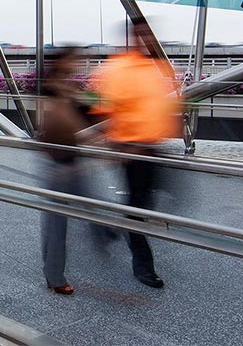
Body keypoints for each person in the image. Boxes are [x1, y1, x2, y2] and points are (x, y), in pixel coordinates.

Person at [93, 21, 180, 289]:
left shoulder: (155, 68)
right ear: (132, 37)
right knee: (139, 209)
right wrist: (116, 145)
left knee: (149, 204)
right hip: (131, 149)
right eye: (141, 35)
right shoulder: (119, 68)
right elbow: (108, 108)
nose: (145, 39)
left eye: (148, 34)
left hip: (152, 147)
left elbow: (161, 107)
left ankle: (113, 227)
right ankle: (143, 266)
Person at [37, 47, 95, 295]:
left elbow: (86, 116)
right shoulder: (51, 90)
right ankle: (54, 275)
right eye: (74, 59)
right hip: (59, 164)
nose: (78, 64)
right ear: (63, 62)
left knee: (67, 216)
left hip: (72, 161)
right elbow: (53, 126)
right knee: (56, 221)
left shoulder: (68, 89)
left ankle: (54, 273)